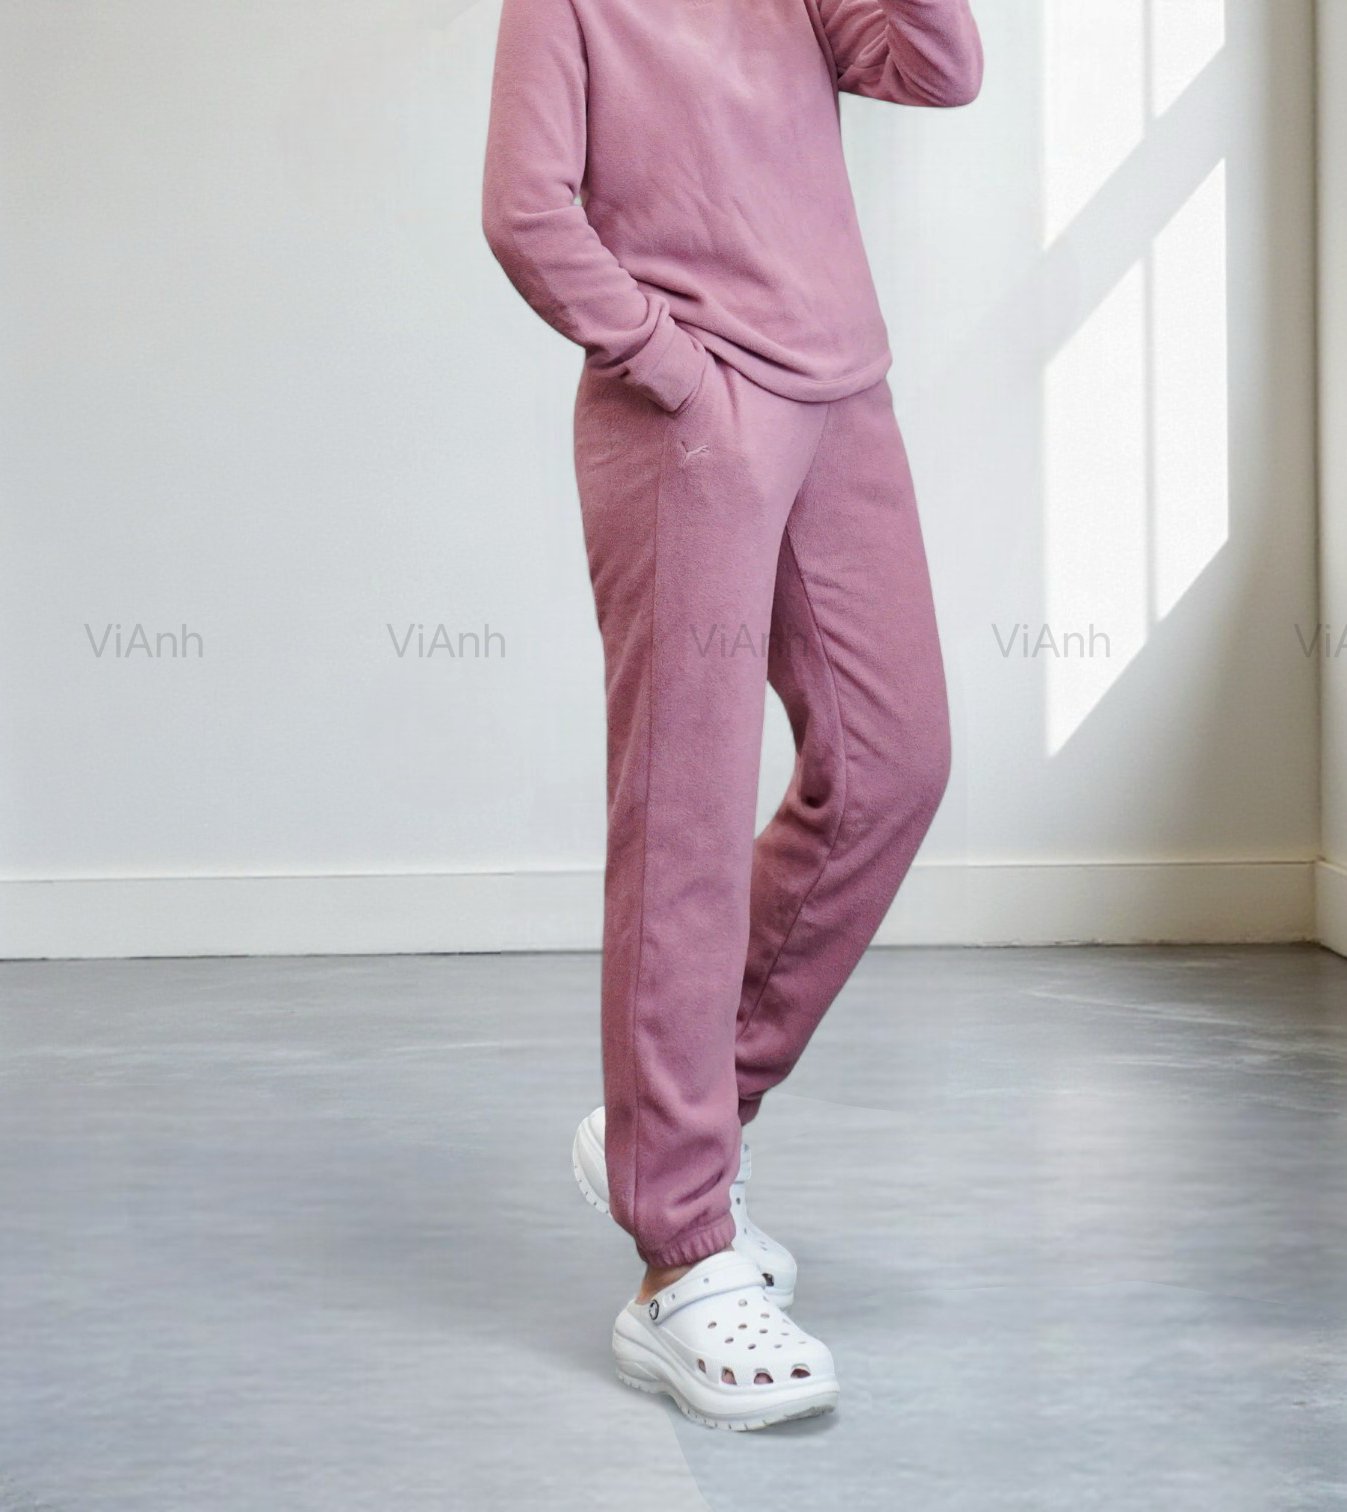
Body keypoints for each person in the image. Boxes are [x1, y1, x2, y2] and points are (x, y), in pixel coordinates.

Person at [481, 0, 982, 1431]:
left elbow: (940, 68)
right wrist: (669, 369)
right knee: (684, 816)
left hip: (844, 393)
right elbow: (524, 207)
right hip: (689, 415)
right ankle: (679, 1259)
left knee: (892, 766)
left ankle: (669, 1127)